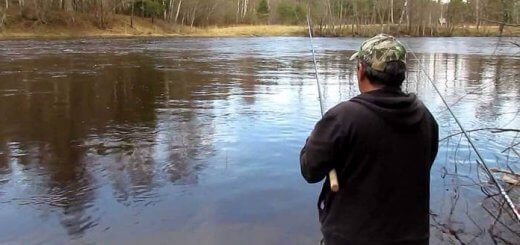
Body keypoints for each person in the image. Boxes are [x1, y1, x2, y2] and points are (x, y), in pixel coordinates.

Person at [300, 34, 439, 245]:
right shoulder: (426, 117)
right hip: (413, 238)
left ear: (362, 71)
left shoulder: (343, 117)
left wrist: (314, 138)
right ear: (400, 74)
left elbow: (310, 169)